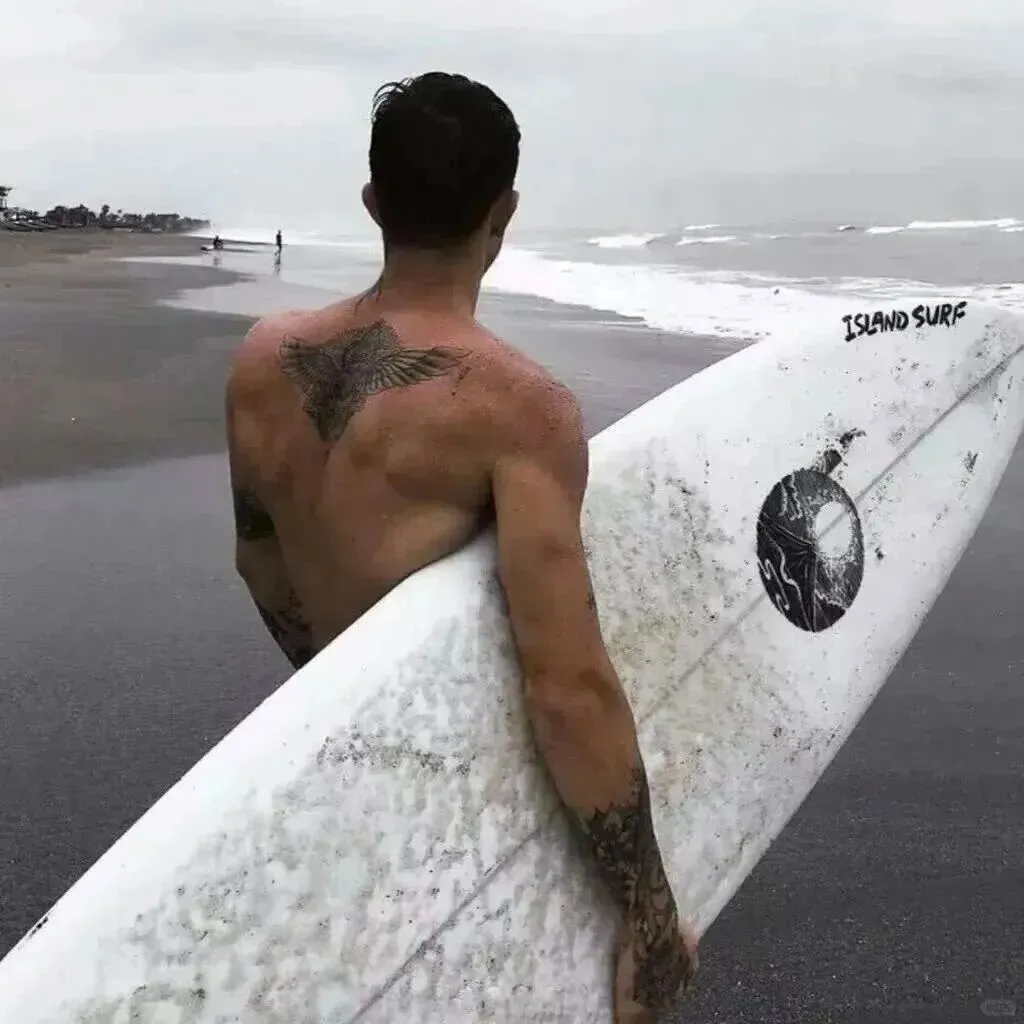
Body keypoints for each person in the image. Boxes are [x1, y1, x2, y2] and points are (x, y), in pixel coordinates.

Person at [225, 71, 698, 1021]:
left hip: (349, 758)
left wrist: (339, 688)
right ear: (504, 213)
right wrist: (649, 916)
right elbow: (566, 687)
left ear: (373, 202)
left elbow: (260, 561)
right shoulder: (519, 408)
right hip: (465, 797)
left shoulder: (262, 358)